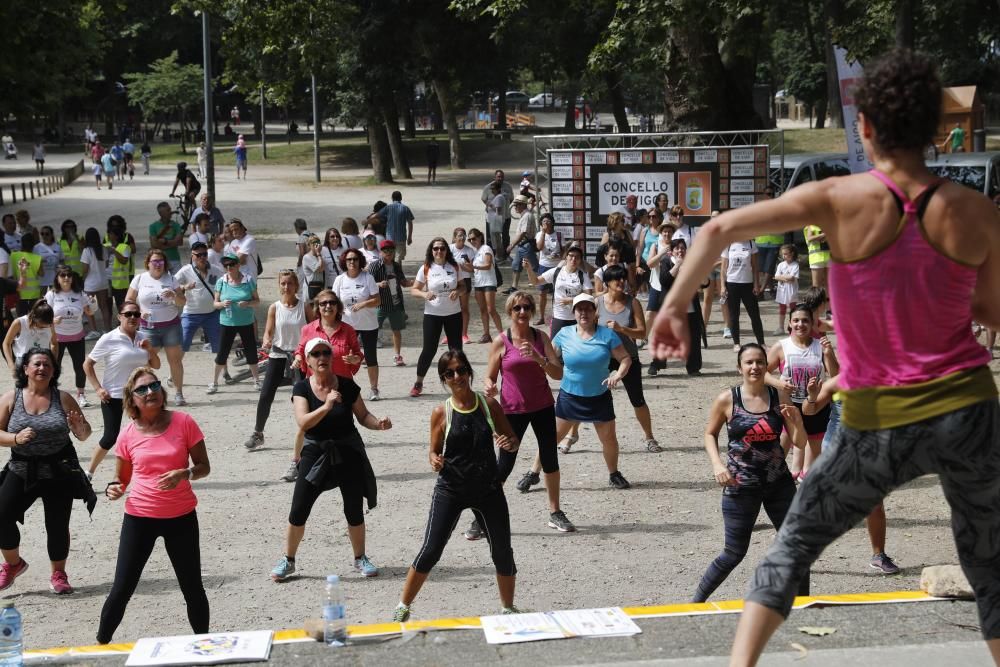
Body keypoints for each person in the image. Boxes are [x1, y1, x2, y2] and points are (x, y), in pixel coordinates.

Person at [648, 49, 1000, 666]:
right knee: (989, 561)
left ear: (863, 129)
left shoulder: (837, 197)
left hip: (876, 421)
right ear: (936, 132)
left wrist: (675, 308)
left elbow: (714, 232)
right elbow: (993, 311)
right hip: (965, 411)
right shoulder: (977, 211)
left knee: (793, 546)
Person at [393, 350, 520, 621]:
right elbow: (433, 450)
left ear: (469, 372)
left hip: (488, 488)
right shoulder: (442, 412)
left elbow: (512, 439)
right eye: (449, 373)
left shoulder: (488, 405)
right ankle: (403, 607)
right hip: (451, 489)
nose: (457, 376)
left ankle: (508, 609)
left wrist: (509, 444)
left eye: (461, 370)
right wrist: (434, 460)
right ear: (443, 379)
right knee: (431, 550)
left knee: (502, 550)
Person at [96, 367, 211, 643]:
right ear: (131, 399)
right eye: (142, 389)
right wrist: (114, 489)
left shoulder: (184, 422)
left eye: (154, 386)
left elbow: (204, 467)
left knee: (192, 587)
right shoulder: (127, 434)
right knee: (122, 588)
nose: (150, 392)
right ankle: (99, 646)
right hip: (140, 518)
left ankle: (206, 650)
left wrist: (186, 474)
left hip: (181, 517)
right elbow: (120, 480)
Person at [692, 343, 808, 602]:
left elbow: (799, 443)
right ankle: (694, 604)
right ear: (740, 367)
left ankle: (804, 606)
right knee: (733, 553)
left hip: (779, 483)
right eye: (749, 362)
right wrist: (717, 465)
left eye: (759, 362)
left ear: (766, 366)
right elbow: (710, 434)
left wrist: (798, 422)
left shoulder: (780, 396)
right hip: (741, 485)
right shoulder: (727, 398)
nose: (755, 367)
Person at [269, 338, 391, 583]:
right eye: (316, 354)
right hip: (315, 453)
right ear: (308, 361)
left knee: (354, 508)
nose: (322, 357)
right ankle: (288, 560)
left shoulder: (346, 385)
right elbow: (303, 423)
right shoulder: (301, 389)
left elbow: (363, 415)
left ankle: (361, 558)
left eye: (326, 352)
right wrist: (326, 406)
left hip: (347, 449)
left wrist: (378, 424)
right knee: (299, 509)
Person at [0, 347, 93, 595]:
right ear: (25, 369)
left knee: (57, 524)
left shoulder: (63, 398)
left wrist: (79, 427)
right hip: (22, 468)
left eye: (47, 365)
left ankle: (58, 574)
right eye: (37, 364)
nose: (42, 368)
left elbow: (84, 435)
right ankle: (13, 564)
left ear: (54, 371)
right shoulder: (11, 398)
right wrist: (16, 438)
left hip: (58, 469)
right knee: (1, 514)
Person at [482, 292, 571, 532]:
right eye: (517, 308)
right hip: (512, 411)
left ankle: (555, 512)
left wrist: (539, 358)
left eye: (527, 308)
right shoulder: (501, 341)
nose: (522, 312)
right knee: (505, 464)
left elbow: (558, 373)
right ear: (510, 312)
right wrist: (489, 386)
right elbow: (490, 377)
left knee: (550, 458)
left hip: (542, 406)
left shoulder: (541, 337)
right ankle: (483, 516)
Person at [549, 294, 632, 490]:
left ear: (595, 313)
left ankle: (614, 473)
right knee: (553, 438)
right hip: (570, 395)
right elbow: (550, 358)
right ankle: (534, 472)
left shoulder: (607, 335)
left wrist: (617, 375)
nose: (584, 313)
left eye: (588, 309)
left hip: (599, 396)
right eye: (580, 309)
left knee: (609, 439)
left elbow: (626, 359)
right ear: (574, 313)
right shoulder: (564, 334)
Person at [83, 301, 161, 477]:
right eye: (128, 314)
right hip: (115, 394)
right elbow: (87, 364)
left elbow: (155, 365)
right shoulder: (109, 338)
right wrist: (98, 389)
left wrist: (150, 350)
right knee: (110, 437)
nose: (133, 317)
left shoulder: (142, 337)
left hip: (140, 396)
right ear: (119, 317)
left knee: (147, 432)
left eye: (136, 314)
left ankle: (148, 473)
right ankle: (88, 474)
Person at [244, 270, 314, 464]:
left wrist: (307, 353)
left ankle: (311, 434)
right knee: (266, 394)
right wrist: (266, 341)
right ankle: (258, 433)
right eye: (283, 283)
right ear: (279, 285)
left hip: (299, 357)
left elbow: (314, 329)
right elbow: (268, 331)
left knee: (302, 398)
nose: (286, 287)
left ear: (296, 286)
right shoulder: (274, 307)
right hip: (278, 355)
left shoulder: (304, 307)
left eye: (290, 283)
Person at [768, 305, 839, 478]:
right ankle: (773, 479)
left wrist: (829, 354)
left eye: (805, 320)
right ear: (790, 323)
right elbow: (763, 373)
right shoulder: (781, 346)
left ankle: (806, 480)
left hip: (817, 405)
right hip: (788, 404)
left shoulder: (820, 346)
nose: (800, 324)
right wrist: (779, 384)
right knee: (782, 445)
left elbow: (836, 375)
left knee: (814, 451)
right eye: (796, 320)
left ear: (813, 324)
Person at [596, 265, 660, 450]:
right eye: (617, 279)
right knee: (588, 395)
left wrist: (621, 329)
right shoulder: (597, 302)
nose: (622, 282)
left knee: (637, 399)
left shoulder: (633, 303)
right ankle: (572, 435)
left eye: (624, 278)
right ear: (607, 282)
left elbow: (642, 333)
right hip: (603, 357)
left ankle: (649, 438)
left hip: (628, 356)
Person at [126, 249, 188, 406]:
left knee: (174, 360)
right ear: (148, 263)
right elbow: (129, 300)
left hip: (171, 325)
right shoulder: (140, 279)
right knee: (145, 362)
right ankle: (144, 394)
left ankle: (179, 393)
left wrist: (174, 296)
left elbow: (182, 302)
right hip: (148, 328)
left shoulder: (172, 279)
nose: (158, 265)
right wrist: (140, 311)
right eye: (155, 262)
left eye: (161, 262)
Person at [409, 239, 463, 397]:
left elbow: (463, 286)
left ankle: (458, 382)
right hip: (433, 314)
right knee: (429, 350)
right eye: (436, 249)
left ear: (447, 250)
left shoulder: (454, 266)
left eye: (442, 248)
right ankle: (418, 382)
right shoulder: (426, 267)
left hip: (454, 313)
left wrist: (458, 292)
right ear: (431, 251)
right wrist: (424, 294)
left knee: (456, 350)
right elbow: (414, 290)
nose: (439, 251)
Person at [332, 249, 381, 400]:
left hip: (368, 324)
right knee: (343, 356)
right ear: (344, 262)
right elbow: (334, 301)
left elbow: (377, 300)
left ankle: (374, 389)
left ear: (360, 261)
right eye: (349, 260)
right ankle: (342, 386)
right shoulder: (340, 280)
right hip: (347, 325)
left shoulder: (368, 278)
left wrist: (364, 304)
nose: (352, 262)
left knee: (371, 357)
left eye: (354, 259)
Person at [208, 253, 260, 393]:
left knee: (250, 351)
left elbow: (257, 301)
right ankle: (214, 382)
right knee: (222, 353)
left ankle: (256, 380)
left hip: (245, 322)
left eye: (232, 264)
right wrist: (222, 303)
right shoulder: (221, 281)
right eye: (226, 265)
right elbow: (215, 304)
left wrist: (248, 303)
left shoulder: (248, 280)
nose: (229, 267)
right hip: (227, 322)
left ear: (238, 265)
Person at [522, 244, 593, 342]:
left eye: (577, 257)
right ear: (566, 257)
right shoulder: (556, 272)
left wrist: (573, 300)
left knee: (575, 346)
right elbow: (536, 281)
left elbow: (589, 297)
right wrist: (529, 269)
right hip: (559, 317)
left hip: (577, 318)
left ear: (580, 260)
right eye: (571, 256)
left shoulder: (583, 276)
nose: (573, 259)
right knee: (555, 348)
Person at [46, 268, 94, 407]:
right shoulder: (52, 294)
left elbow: (90, 311)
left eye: (69, 275)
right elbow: (43, 314)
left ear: (72, 278)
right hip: (57, 338)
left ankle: (81, 395)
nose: (66, 278)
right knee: (54, 367)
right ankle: (52, 395)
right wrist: (53, 321)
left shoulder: (79, 293)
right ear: (57, 278)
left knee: (80, 367)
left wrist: (93, 303)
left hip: (77, 336)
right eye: (62, 275)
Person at [294, 290, 362, 379]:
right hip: (317, 385)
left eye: (332, 302)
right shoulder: (307, 329)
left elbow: (358, 354)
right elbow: (300, 351)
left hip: (343, 383)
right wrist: (298, 359)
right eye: (323, 303)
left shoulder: (348, 330)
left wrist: (355, 359)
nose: (328, 306)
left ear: (338, 306)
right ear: (318, 307)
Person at [367, 240, 411, 367]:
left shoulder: (396, 266)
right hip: (380, 303)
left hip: (395, 302)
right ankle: (368, 356)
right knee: (372, 330)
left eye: (391, 251)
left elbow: (403, 282)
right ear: (381, 252)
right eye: (385, 251)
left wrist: (413, 283)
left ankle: (397, 356)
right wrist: (378, 284)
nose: (388, 254)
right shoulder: (375, 266)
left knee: (396, 330)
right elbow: (367, 284)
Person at [175, 243, 223, 358]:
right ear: (192, 256)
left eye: (204, 254)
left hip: (212, 313)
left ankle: (225, 372)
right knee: (182, 343)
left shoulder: (216, 270)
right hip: (191, 314)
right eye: (199, 255)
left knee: (219, 345)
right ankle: (174, 373)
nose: (202, 257)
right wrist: (184, 287)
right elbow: (171, 285)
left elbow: (226, 284)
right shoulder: (185, 270)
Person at [721, 237, 764, 352]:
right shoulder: (728, 244)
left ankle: (761, 343)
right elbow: (723, 269)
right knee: (734, 316)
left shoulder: (751, 244)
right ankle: (736, 343)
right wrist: (722, 286)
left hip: (748, 284)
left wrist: (756, 284)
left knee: (754, 315)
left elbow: (755, 267)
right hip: (732, 283)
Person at [3, 300, 58, 376]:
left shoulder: (50, 324)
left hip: (43, 361)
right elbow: (6, 343)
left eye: (46, 326)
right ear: (34, 317)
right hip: (23, 362)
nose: (43, 328)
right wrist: (11, 364)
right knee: (24, 387)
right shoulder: (19, 323)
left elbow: (54, 343)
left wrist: (53, 362)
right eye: (41, 326)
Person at [468, 228, 503, 342]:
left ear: (480, 237)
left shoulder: (486, 248)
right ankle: (486, 334)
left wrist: (473, 267)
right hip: (478, 283)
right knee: (483, 309)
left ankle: (502, 334)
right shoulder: (476, 252)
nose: (472, 241)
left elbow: (488, 265)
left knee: (491, 309)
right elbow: (475, 270)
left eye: (474, 238)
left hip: (488, 282)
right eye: (470, 240)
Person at [534, 213, 564, 326]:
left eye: (548, 221)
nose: (546, 223)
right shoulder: (539, 234)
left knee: (556, 293)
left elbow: (563, 251)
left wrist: (559, 256)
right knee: (542, 292)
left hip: (557, 266)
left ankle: (555, 316)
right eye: (543, 222)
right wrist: (542, 232)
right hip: (543, 265)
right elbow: (539, 247)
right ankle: (541, 317)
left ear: (552, 223)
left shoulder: (559, 235)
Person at [505, 195, 538, 294]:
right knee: (516, 266)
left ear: (522, 205)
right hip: (522, 245)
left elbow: (523, 233)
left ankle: (547, 284)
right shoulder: (525, 215)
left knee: (534, 266)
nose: (515, 207)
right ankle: (514, 287)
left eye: (517, 205)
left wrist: (512, 245)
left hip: (526, 245)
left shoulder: (527, 216)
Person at [480, 170, 514, 260]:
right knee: (491, 237)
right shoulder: (488, 187)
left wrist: (504, 207)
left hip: (506, 216)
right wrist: (491, 205)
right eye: (498, 177)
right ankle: (491, 255)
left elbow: (511, 199)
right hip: (492, 219)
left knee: (505, 236)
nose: (500, 178)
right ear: (494, 177)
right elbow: (483, 199)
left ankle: (506, 255)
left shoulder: (508, 186)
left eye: (502, 176)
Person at [449, 227, 475, 344]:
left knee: (464, 307)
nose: (462, 237)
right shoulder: (449, 249)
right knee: (451, 308)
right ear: (454, 237)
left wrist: (461, 266)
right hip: (451, 280)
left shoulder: (469, 251)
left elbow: (472, 269)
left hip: (465, 280)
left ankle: (464, 334)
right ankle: (450, 335)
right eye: (459, 235)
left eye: (464, 235)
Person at [753, 188, 781, 297]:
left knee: (769, 268)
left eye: (772, 194)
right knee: (759, 268)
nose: (770, 196)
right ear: (763, 195)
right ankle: (765, 288)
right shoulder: (758, 208)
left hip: (774, 243)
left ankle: (762, 291)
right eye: (768, 194)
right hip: (760, 242)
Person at [10, 234, 43, 315]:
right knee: (35, 318)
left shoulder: (13, 255)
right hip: (34, 294)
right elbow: (42, 274)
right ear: (33, 244)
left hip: (19, 292)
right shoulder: (38, 258)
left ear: (22, 243)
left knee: (21, 319)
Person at [149, 202, 185, 274]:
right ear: (161, 213)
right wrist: (173, 243)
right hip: (160, 260)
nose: (170, 212)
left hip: (175, 259)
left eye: (170, 209)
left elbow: (180, 241)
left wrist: (165, 242)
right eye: (168, 210)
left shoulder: (175, 225)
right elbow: (154, 244)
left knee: (177, 282)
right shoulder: (153, 226)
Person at [378, 191, 414, 261]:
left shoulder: (388, 208)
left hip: (390, 238)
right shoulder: (405, 208)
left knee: (390, 257)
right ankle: (397, 270)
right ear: (401, 198)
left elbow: (377, 215)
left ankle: (393, 270)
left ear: (392, 198)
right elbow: (410, 223)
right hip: (401, 237)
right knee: (398, 259)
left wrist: (368, 220)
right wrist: (409, 237)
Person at [773, 244, 800, 334]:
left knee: (793, 309)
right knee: (782, 309)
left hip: (791, 291)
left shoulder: (795, 265)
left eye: (786, 254)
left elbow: (792, 277)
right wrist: (785, 278)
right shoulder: (780, 265)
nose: (784, 256)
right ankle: (781, 328)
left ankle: (793, 327)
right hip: (782, 290)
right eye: (783, 254)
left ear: (792, 254)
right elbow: (776, 277)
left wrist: (782, 277)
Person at [104, 226, 132, 313]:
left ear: (116, 236)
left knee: (121, 304)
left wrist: (114, 251)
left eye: (110, 233)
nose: (108, 235)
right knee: (107, 304)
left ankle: (121, 322)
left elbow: (124, 261)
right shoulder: (105, 246)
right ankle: (108, 324)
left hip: (120, 283)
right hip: (107, 280)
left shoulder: (125, 247)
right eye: (108, 233)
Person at [35, 226, 64, 294]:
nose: (44, 236)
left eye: (47, 234)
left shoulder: (58, 247)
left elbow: (62, 261)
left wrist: (60, 269)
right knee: (41, 302)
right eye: (42, 234)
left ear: (51, 235)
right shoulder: (36, 248)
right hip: (41, 281)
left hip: (54, 280)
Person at [484, 182, 507, 259]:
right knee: (495, 239)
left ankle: (498, 255)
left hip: (496, 220)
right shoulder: (497, 197)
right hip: (494, 220)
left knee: (497, 239)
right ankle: (498, 255)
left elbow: (498, 210)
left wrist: (490, 205)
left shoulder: (499, 197)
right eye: (491, 189)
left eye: (493, 189)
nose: (492, 191)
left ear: (498, 189)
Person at [803, 223, 829, 289]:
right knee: (816, 285)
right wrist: (823, 235)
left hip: (829, 257)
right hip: (816, 258)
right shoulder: (810, 226)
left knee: (829, 283)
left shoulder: (828, 224)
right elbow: (810, 238)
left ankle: (828, 299)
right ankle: (817, 299)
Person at [301, 235, 325, 300]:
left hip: (320, 287)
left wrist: (319, 255)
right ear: (309, 245)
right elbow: (319, 268)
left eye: (318, 242)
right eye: (314, 243)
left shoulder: (320, 256)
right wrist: (318, 253)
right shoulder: (307, 257)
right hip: (311, 288)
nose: (316, 245)